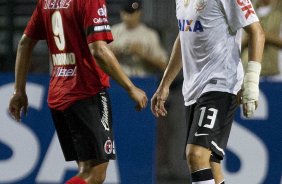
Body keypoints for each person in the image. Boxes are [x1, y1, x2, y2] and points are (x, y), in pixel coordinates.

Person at [8, 0, 148, 184]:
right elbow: (98, 50)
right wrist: (131, 87)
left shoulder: (47, 2)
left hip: (59, 92)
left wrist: (19, 90)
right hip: (86, 91)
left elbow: (25, 43)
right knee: (95, 174)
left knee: (85, 169)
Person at [151, 0, 265, 183]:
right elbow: (184, 36)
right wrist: (165, 84)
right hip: (193, 89)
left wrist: (251, 82)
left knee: (196, 155)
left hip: (220, 83)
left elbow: (257, 32)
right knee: (211, 164)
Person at [109, 0, 167, 77]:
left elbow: (163, 65)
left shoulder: (149, 34)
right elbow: (99, 61)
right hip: (118, 79)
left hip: (142, 79)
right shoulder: (113, 32)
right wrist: (116, 53)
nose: (128, 17)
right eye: (125, 13)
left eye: (131, 13)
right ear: (121, 12)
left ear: (139, 13)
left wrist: (143, 54)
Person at [242, 0, 282, 80]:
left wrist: (263, 36)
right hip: (248, 74)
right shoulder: (244, 9)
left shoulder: (279, 11)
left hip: (275, 75)